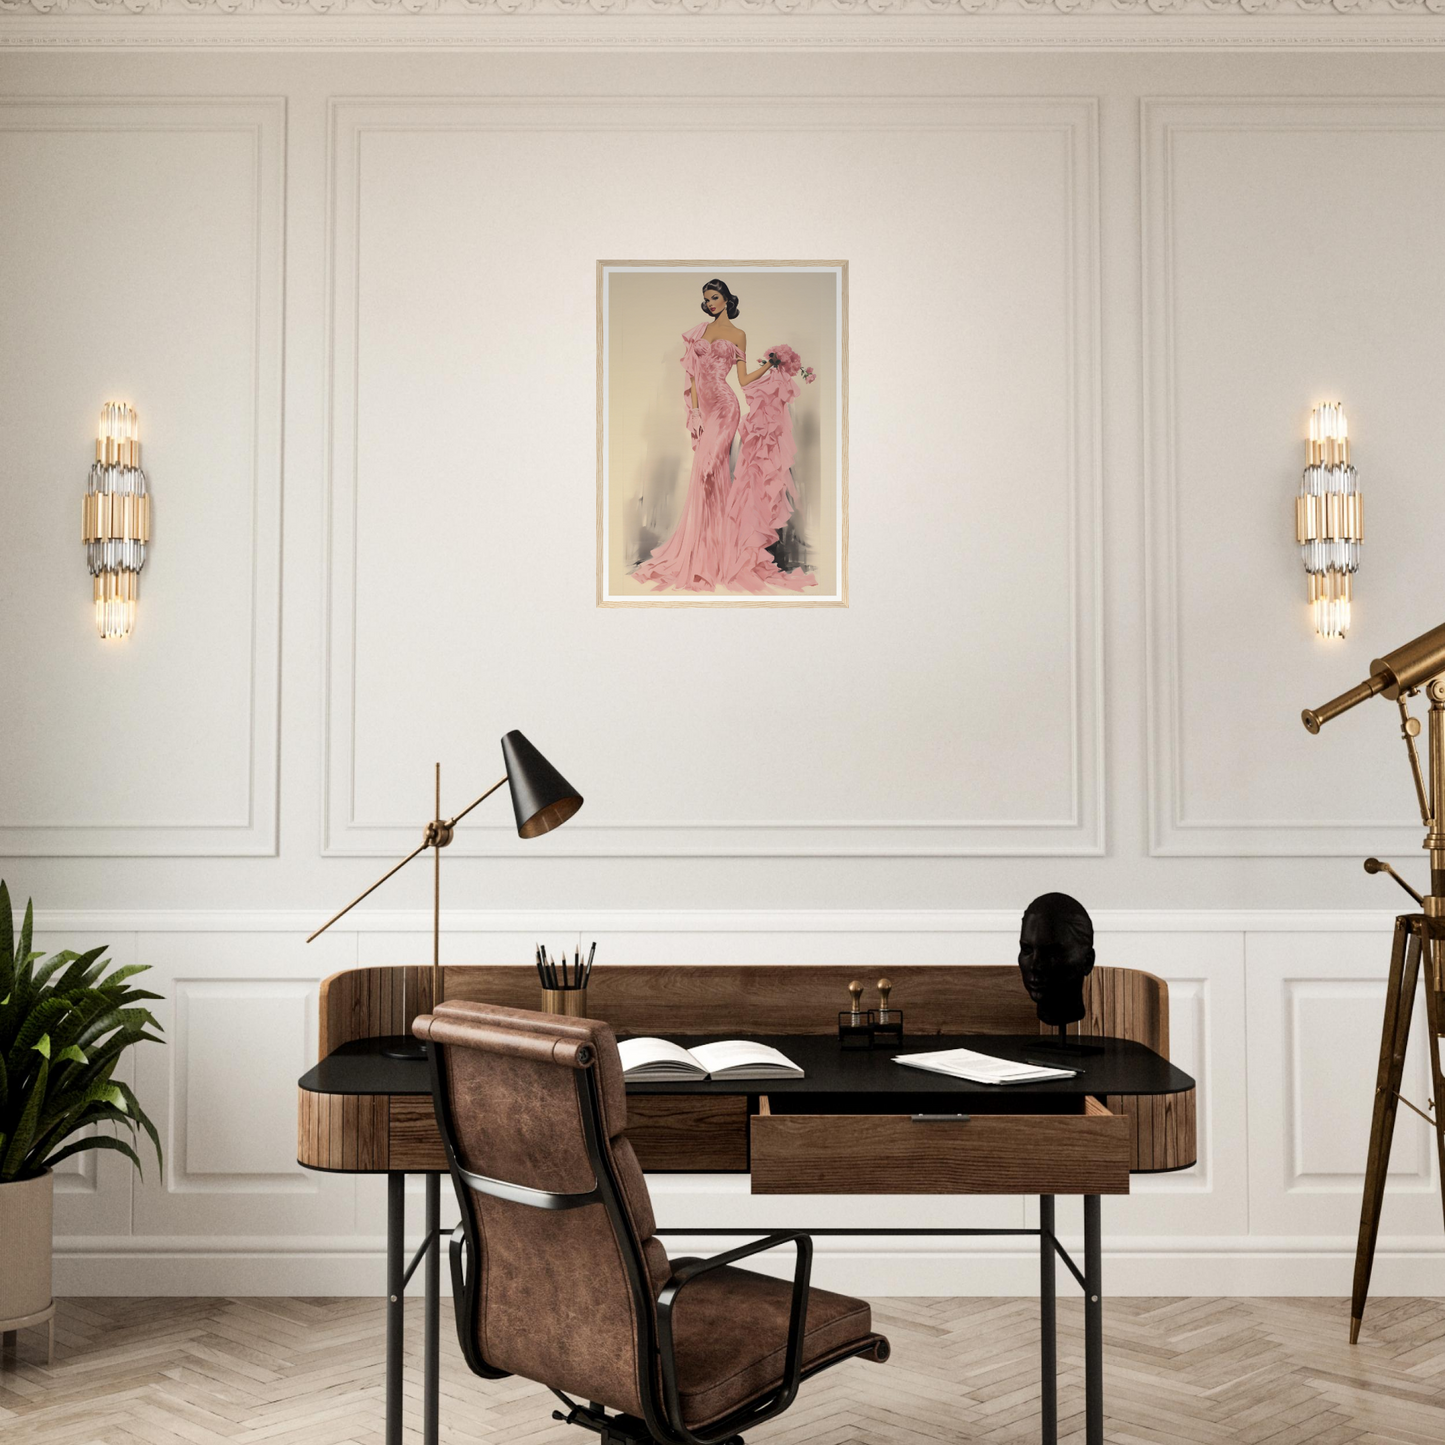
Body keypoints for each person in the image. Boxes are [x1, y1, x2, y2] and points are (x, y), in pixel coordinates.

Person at [632, 278, 814, 594]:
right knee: (707, 479)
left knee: (708, 470)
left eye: (715, 297)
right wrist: (696, 412)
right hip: (707, 409)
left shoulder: (738, 335)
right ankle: (707, 554)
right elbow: (693, 376)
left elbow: (743, 381)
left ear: (727, 299)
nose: (710, 303)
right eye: (706, 299)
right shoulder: (699, 331)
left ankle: (720, 553)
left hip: (727, 407)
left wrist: (771, 365)